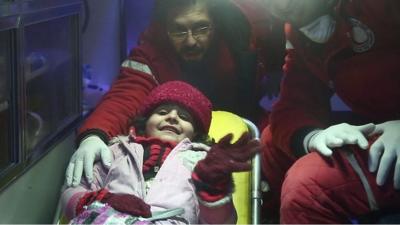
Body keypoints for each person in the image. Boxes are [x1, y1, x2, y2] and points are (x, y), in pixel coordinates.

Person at [65, 0, 283, 187]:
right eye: (179, 30)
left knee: (272, 147)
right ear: (165, 28)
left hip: (243, 116)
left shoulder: (242, 31)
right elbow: (125, 96)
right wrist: (95, 135)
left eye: (201, 28)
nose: (190, 40)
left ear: (216, 24)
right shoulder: (152, 53)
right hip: (180, 146)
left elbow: (273, 29)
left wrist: (274, 67)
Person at [259, 0, 400, 223]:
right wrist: (313, 137)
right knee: (270, 142)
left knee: (307, 189)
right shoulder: (299, 31)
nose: (280, 6)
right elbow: (294, 101)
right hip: (380, 122)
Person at [60, 81, 260, 224]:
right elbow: (73, 191)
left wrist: (213, 190)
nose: (172, 117)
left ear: (196, 132)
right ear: (144, 122)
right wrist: (104, 200)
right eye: (162, 112)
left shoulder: (203, 163)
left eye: (183, 116)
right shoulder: (116, 150)